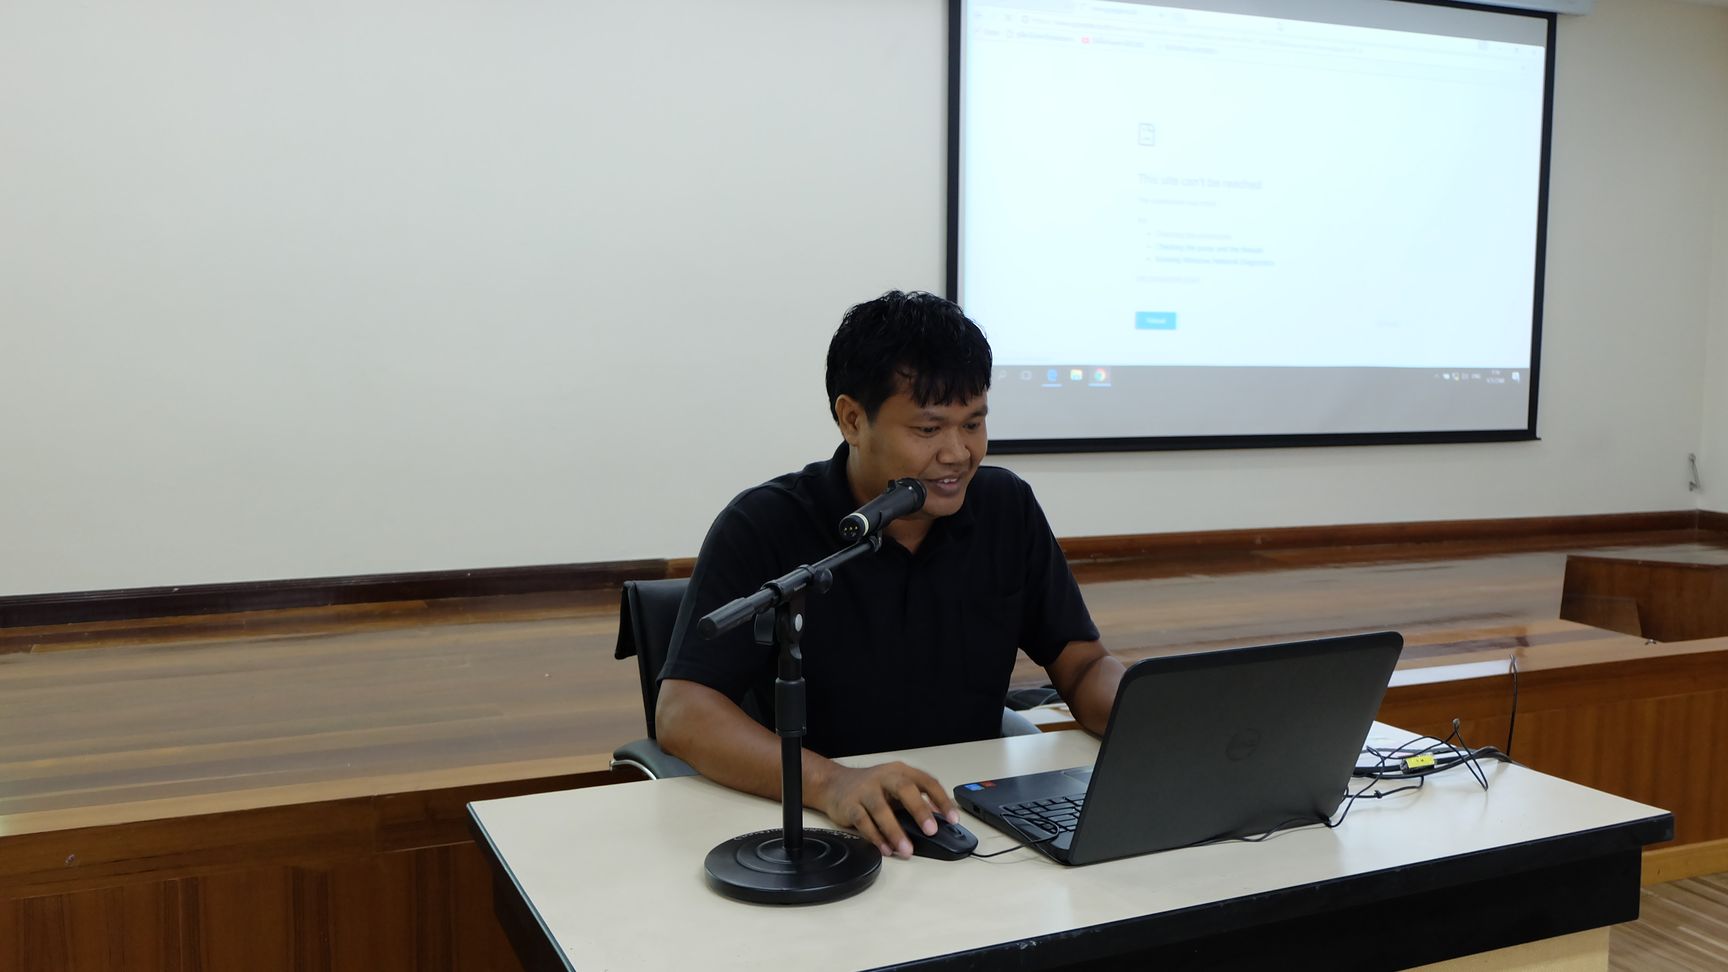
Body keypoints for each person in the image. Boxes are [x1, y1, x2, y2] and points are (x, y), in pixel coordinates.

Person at [656, 290, 1125, 859]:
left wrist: (1157, 722)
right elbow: (683, 711)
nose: (958, 453)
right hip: (820, 830)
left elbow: (1083, 665)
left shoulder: (1006, 507)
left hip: (965, 817)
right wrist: (832, 783)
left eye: (974, 423)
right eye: (928, 430)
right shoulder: (765, 523)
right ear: (853, 419)